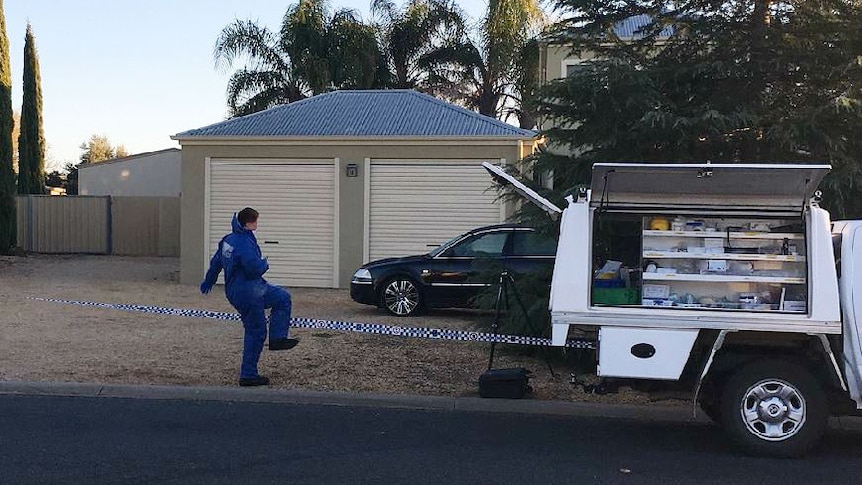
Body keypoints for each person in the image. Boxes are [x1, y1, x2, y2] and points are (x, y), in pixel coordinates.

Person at [200, 207, 298, 387]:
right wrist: (264, 265)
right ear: (250, 223)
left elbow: (216, 264)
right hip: (249, 292)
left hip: (242, 290)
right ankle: (248, 374)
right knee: (256, 331)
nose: (257, 224)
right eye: (256, 221)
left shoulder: (228, 240)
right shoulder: (244, 242)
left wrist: (208, 281)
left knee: (282, 298)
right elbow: (253, 268)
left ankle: (278, 339)